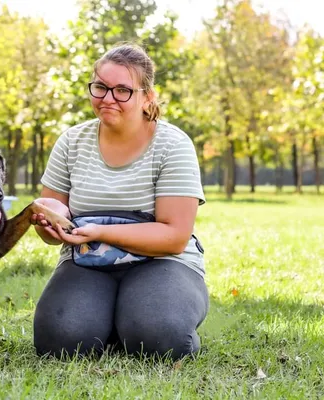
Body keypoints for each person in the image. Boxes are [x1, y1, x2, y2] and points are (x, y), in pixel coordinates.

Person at [31, 43, 208, 360]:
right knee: (59, 341)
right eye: (100, 87)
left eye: (122, 90)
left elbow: (174, 236)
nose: (107, 98)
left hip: (162, 261)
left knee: (160, 339)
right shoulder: (71, 142)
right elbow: (50, 220)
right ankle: (111, 320)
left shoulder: (173, 145)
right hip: (88, 260)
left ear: (147, 97)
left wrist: (100, 232)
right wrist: (48, 224)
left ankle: (141, 317)